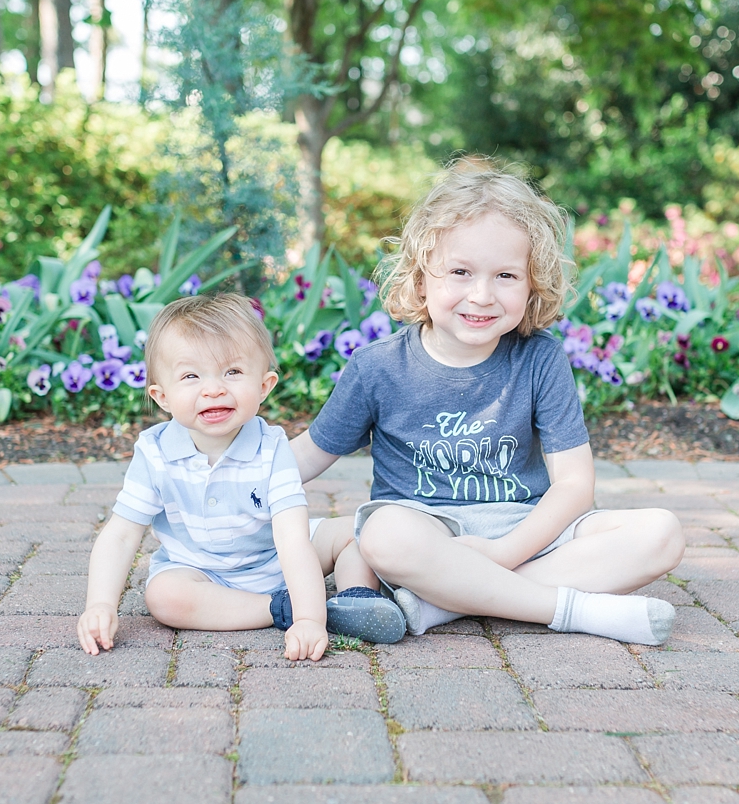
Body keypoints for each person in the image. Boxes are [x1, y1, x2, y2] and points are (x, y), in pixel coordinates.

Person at [291, 160, 687, 644]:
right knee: (381, 534)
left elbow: (575, 485)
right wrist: (228, 472)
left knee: (661, 533)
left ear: (531, 284)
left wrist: (503, 554)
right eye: (459, 271)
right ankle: (568, 610)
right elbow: (308, 454)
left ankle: (443, 605)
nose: (481, 295)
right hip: (427, 539)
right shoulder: (378, 367)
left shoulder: (540, 358)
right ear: (420, 279)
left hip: (525, 534)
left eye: (505, 275)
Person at [77, 293, 406, 660]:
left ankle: (355, 600)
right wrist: (100, 604)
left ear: (264, 386)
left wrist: (311, 620)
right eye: (191, 376)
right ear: (161, 396)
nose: (214, 388)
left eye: (232, 372)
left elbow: (293, 540)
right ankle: (276, 609)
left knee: (354, 533)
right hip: (200, 572)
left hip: (275, 558)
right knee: (164, 597)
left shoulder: (271, 448)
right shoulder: (155, 453)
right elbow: (121, 535)